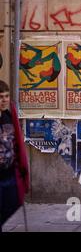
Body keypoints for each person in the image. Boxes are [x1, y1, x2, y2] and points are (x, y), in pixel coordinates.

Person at [0, 80, 29, 232]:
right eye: (0, 97)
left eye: (6, 96)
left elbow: (16, 140)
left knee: (15, 201)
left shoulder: (9, 114)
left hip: (10, 171)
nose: (4, 100)